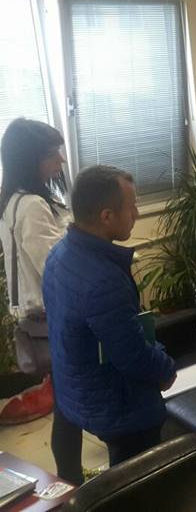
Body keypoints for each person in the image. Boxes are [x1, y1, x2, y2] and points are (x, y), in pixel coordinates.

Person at [43, 165, 176, 466]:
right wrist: (167, 367)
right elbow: (132, 355)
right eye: (132, 207)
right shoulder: (104, 280)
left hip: (77, 390)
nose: (137, 214)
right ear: (107, 216)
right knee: (136, 480)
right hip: (118, 405)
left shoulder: (59, 254)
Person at [0, 118, 83, 485]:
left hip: (40, 318)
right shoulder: (32, 205)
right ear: (30, 158)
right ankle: (71, 482)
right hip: (53, 317)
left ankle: (71, 479)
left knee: (66, 403)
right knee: (69, 407)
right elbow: (56, 266)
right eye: (52, 154)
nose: (60, 161)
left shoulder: (12, 200)